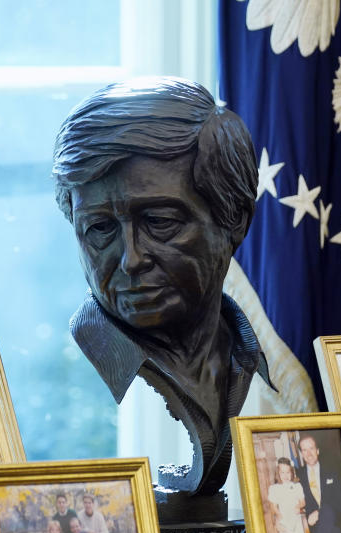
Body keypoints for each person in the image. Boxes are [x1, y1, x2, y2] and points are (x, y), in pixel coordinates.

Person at [53, 77, 273, 497]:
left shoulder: (245, 355)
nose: (131, 259)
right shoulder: (69, 383)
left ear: (234, 221)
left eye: (160, 223)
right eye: (99, 228)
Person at [267, 458, 311, 533]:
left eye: (288, 472)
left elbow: (302, 501)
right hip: (284, 521)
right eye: (282, 473)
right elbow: (273, 507)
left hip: (296, 520)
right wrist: (278, 516)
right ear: (278, 473)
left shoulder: (297, 486)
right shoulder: (274, 488)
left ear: (292, 472)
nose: (285, 476)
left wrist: (299, 506)